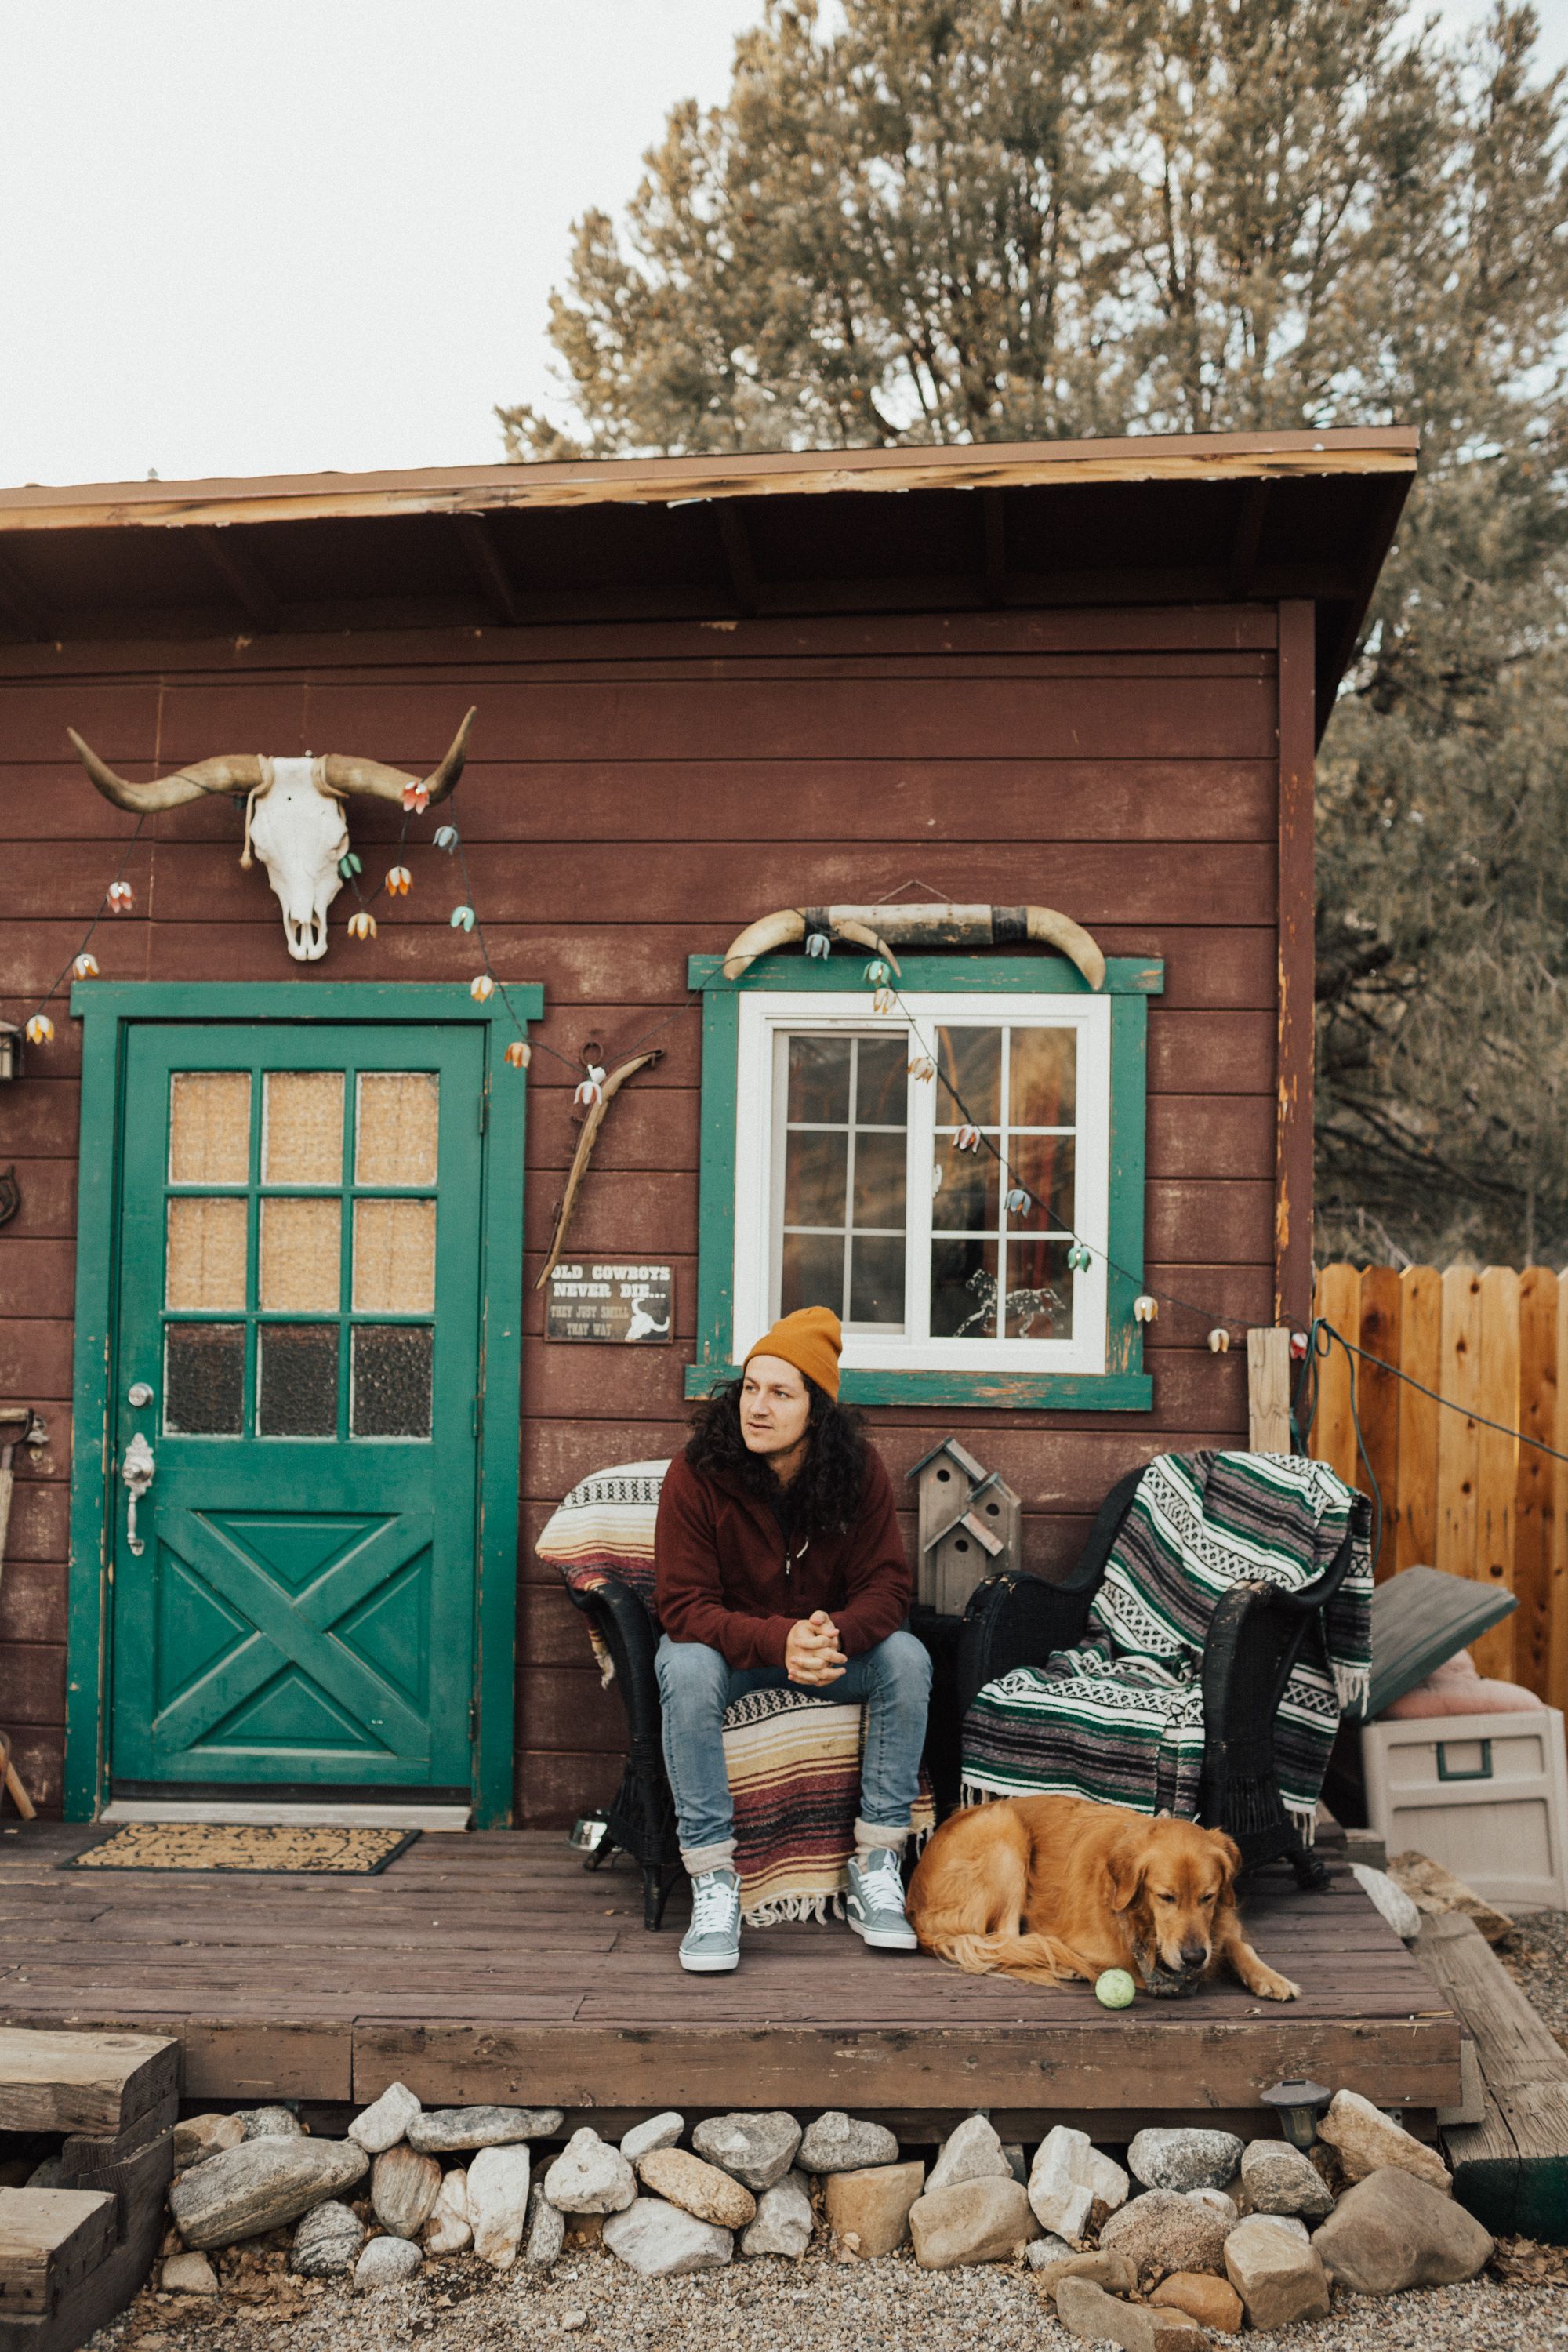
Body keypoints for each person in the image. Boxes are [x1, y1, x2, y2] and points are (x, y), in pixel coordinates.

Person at [654, 1305, 932, 1973]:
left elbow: (887, 1588)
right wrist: (779, 1641)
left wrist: (832, 1635)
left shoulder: (856, 1471)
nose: (757, 1407)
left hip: (826, 1655)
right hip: (731, 1659)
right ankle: (713, 1879)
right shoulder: (697, 1471)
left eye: (781, 1393)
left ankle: (876, 1861)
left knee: (906, 1657)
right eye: (750, 1388)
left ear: (817, 1411)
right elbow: (684, 1607)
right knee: (684, 1667)